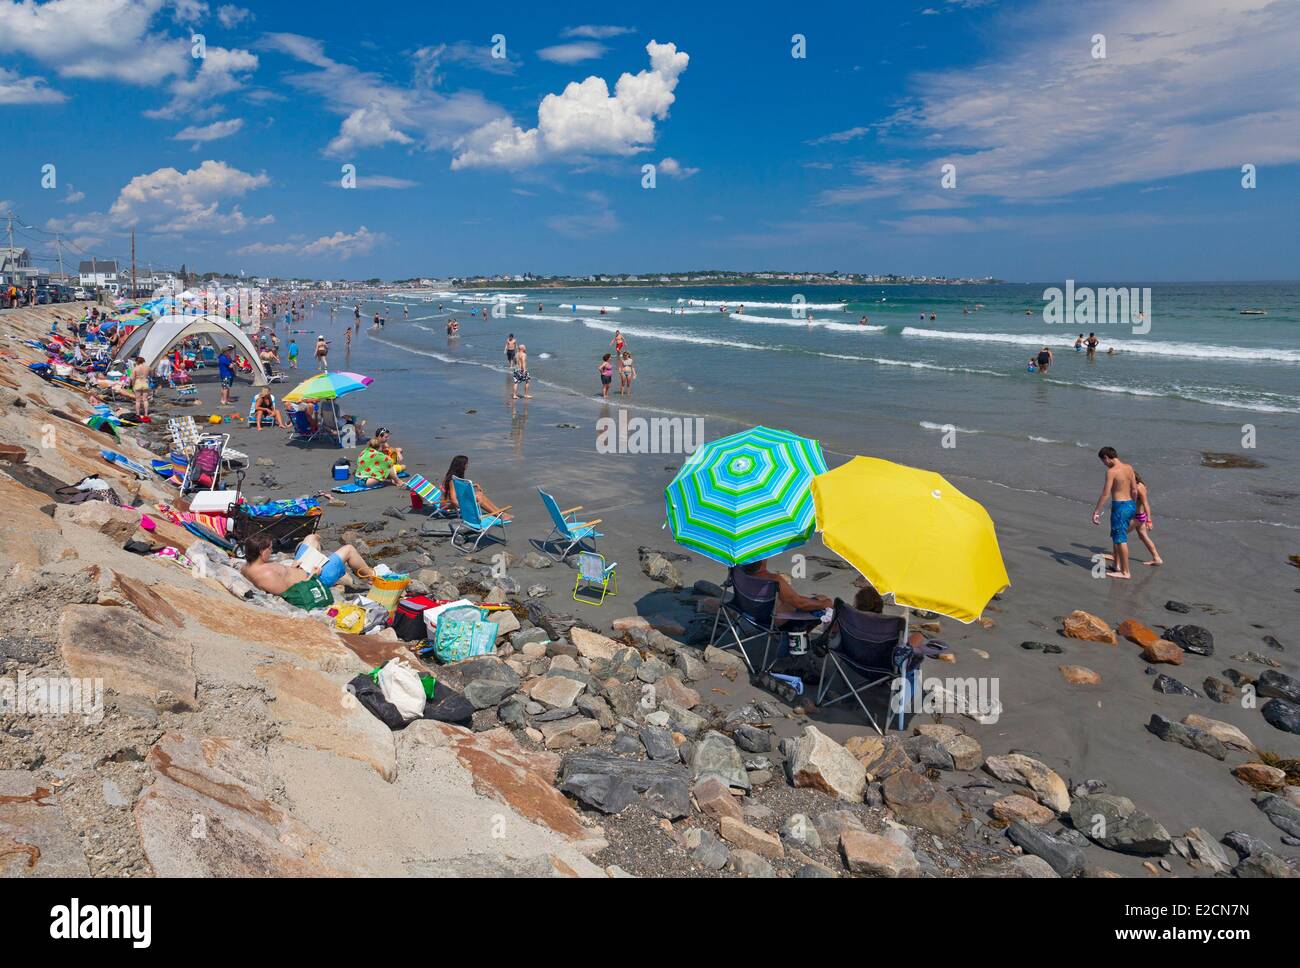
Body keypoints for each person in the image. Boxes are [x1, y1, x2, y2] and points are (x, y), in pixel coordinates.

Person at [242, 533, 374, 611]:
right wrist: (313, 575)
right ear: (261, 551)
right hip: (316, 580)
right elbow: (294, 594)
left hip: (301, 568)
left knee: (313, 537)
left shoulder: (249, 566)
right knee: (349, 549)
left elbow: (286, 579)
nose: (271, 552)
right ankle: (372, 578)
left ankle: (326, 560)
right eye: (270, 549)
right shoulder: (266, 576)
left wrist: (293, 567)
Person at [1091, 446, 1138, 579]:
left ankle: (1125, 572)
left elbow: (1106, 493)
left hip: (1120, 506)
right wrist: (1133, 506)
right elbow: (1134, 490)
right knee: (1117, 536)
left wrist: (1097, 511)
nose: (1104, 464)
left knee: (1120, 539)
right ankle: (1117, 566)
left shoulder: (1111, 472)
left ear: (1106, 457)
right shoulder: (1129, 467)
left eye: (1103, 461)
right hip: (1130, 504)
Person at [740, 558, 832, 621]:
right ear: (763, 559)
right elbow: (801, 604)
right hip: (770, 620)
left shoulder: (737, 571)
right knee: (823, 600)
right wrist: (825, 604)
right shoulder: (774, 580)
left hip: (747, 611)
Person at [442, 454, 511, 520]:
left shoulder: (453, 476)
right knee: (478, 496)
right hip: (449, 504)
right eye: (466, 464)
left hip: (457, 500)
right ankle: (499, 515)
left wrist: (474, 485)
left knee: (479, 494)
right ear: (461, 466)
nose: (467, 465)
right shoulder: (452, 480)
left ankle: (499, 512)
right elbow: (453, 500)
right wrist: (465, 508)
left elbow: (458, 488)